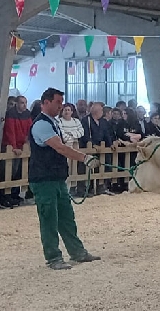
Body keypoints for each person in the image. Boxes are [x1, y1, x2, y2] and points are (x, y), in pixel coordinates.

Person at [28, 88, 101, 270]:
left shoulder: (53, 122)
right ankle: (53, 257)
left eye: (61, 103)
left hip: (56, 178)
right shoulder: (42, 124)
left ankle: (77, 252)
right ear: (45, 102)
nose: (61, 106)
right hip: (44, 179)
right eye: (58, 102)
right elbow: (60, 148)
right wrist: (85, 158)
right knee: (49, 219)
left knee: (67, 217)